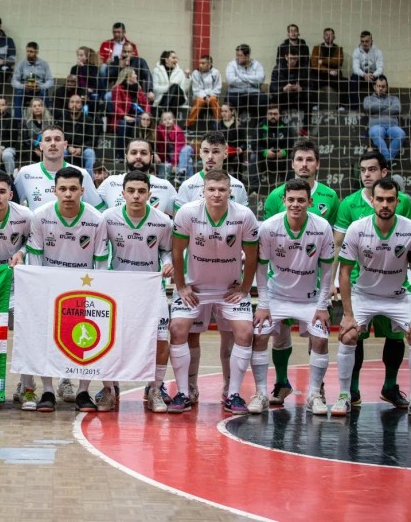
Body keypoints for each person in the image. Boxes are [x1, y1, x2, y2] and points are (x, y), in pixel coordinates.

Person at [168, 169, 259, 413]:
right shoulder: (188, 213)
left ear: (230, 192)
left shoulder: (244, 215)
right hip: (195, 289)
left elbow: (252, 256)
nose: (216, 194)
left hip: (228, 290)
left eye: (222, 190)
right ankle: (183, 393)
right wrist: (181, 286)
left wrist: (245, 287)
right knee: (177, 329)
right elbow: (176, 252)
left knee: (245, 332)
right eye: (212, 189)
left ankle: (233, 394)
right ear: (203, 191)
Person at [24, 166, 111, 412]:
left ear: (83, 190)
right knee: (46, 340)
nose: (68, 194)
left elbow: (102, 263)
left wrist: (97, 295)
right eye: (62, 189)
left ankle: (83, 391)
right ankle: (48, 391)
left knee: (86, 338)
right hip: (50, 287)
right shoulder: (40, 215)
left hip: (84, 288)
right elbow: (35, 258)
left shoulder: (96, 219)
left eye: (73, 189)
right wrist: (39, 291)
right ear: (54, 190)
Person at [332, 150, 411, 409]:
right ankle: (346, 394)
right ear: (373, 202)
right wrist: (347, 314)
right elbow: (344, 269)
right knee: (349, 335)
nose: (385, 204)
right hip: (363, 292)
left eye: (390, 200)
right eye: (380, 200)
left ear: (398, 201)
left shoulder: (408, 226)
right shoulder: (357, 224)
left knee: (402, 337)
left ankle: (391, 387)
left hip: (398, 294)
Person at [252, 179, 334, 414]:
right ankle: (260, 393)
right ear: (284, 201)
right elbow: (261, 268)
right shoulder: (268, 227)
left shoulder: (322, 227)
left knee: (320, 338)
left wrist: (323, 305)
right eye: (291, 200)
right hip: (276, 296)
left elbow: (327, 270)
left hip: (309, 299)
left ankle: (314, 394)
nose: (295, 204)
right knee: (258, 336)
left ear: (310, 202)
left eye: (301, 200)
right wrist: (263, 304)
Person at [102, 170, 173, 412]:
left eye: (141, 191)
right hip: (118, 287)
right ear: (122, 194)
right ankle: (110, 389)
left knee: (162, 339)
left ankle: (154, 389)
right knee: (110, 339)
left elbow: (166, 250)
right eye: (131, 191)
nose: (136, 196)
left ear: (149, 194)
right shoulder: (108, 218)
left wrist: (166, 262)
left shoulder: (163, 221)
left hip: (152, 287)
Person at [98, 139, 177, 217]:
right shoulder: (110, 183)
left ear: (151, 157)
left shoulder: (165, 186)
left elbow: (180, 218)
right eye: (133, 153)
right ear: (126, 157)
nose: (138, 156)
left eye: (143, 153)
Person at [110, 68, 150, 158]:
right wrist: (125, 116)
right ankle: (120, 155)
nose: (136, 76)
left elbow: (146, 103)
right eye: (134, 74)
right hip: (122, 118)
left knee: (143, 122)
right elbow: (117, 106)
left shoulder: (138, 89)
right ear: (128, 76)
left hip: (138, 117)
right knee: (124, 125)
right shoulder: (118, 89)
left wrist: (146, 115)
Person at [364, 75, 405, 161]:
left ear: (386, 87)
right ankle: (388, 160)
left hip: (392, 126)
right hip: (376, 126)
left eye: (383, 86)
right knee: (375, 133)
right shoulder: (368, 99)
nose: (381, 88)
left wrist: (377, 110)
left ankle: (387, 160)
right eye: (378, 86)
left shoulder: (394, 98)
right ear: (374, 87)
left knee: (401, 134)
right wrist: (387, 106)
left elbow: (397, 108)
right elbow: (368, 107)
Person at [10, 42, 54, 119]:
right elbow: (14, 81)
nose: (29, 53)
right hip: (25, 90)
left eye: (31, 52)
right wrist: (23, 86)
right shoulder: (21, 64)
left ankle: (46, 119)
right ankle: (18, 122)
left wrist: (41, 87)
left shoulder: (44, 64)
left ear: (37, 52)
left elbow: (50, 81)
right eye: (27, 51)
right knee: (18, 94)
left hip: (39, 89)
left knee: (44, 93)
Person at [225, 44, 268, 119]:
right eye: (237, 55)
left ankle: (259, 124)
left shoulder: (257, 65)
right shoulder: (232, 64)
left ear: (247, 55)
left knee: (264, 99)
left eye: (240, 55)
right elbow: (230, 80)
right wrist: (251, 83)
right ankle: (235, 124)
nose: (237, 58)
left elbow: (261, 79)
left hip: (253, 93)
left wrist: (241, 76)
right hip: (236, 93)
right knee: (230, 99)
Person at [255, 105, 292, 193]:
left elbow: (291, 144)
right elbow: (254, 145)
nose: (273, 116)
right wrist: (264, 152)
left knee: (292, 158)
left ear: (279, 115)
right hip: (265, 158)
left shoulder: (285, 127)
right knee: (253, 157)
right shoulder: (260, 127)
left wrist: (284, 152)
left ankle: (291, 187)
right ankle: (254, 189)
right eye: (270, 114)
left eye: (275, 114)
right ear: (266, 115)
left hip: (281, 158)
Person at [60, 93, 98, 172]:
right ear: (68, 104)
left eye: (77, 102)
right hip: (67, 148)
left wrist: (81, 149)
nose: (74, 104)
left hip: (83, 149)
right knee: (61, 151)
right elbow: (60, 138)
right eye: (72, 102)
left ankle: (89, 182)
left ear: (82, 105)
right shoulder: (62, 120)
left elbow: (92, 140)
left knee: (90, 153)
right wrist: (68, 147)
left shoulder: (88, 120)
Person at [269, 47, 310, 119]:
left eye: (295, 59)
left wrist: (301, 89)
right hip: (283, 96)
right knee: (274, 98)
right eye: (291, 58)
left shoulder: (303, 69)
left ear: (298, 58)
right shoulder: (278, 69)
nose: (293, 61)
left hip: (298, 96)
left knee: (309, 98)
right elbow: (272, 88)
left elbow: (311, 86)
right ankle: (278, 125)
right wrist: (283, 89)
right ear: (286, 57)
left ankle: (305, 128)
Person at [310, 28, 346, 109]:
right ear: (323, 36)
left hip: (334, 74)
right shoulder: (317, 48)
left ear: (334, 37)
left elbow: (338, 61)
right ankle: (314, 105)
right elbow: (314, 64)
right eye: (326, 35)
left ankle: (341, 106)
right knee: (311, 79)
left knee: (344, 82)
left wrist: (323, 61)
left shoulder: (338, 49)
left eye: (330, 35)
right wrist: (329, 70)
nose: (328, 37)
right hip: (320, 74)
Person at [349, 31, 384, 110]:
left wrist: (373, 75)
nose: (364, 43)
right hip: (362, 76)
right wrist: (364, 74)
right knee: (353, 79)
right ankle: (354, 108)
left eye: (367, 41)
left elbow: (380, 68)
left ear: (371, 41)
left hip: (374, 76)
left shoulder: (378, 52)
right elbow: (355, 68)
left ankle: (382, 106)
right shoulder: (356, 51)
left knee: (383, 79)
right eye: (362, 41)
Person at [151, 51, 191, 118]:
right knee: (173, 98)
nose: (176, 60)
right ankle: (170, 118)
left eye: (176, 58)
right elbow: (155, 88)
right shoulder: (157, 71)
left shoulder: (180, 72)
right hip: (163, 98)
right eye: (173, 58)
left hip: (180, 98)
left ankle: (163, 111)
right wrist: (168, 87)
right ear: (166, 60)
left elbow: (184, 89)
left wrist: (187, 77)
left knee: (175, 86)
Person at [187, 55, 222, 130]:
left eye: (203, 63)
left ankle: (219, 124)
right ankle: (188, 125)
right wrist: (205, 97)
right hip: (199, 97)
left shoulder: (216, 73)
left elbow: (218, 88)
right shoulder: (195, 73)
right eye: (200, 63)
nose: (200, 65)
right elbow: (196, 90)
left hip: (212, 96)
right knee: (199, 101)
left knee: (213, 100)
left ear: (209, 64)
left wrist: (209, 96)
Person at [155, 111, 194, 178]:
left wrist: (174, 164)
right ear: (161, 122)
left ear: (174, 120)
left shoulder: (178, 130)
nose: (167, 121)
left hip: (181, 154)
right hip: (169, 156)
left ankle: (181, 173)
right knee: (189, 161)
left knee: (187, 153)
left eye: (169, 119)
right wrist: (163, 159)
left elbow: (178, 148)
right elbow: (160, 146)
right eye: (165, 119)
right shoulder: (159, 130)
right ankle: (181, 177)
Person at [216, 104, 247, 183]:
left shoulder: (239, 125)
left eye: (226, 111)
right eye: (222, 111)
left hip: (235, 153)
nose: (223, 113)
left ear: (232, 112)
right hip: (222, 153)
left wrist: (241, 148)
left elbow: (244, 143)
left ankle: (238, 183)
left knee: (236, 160)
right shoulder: (218, 125)